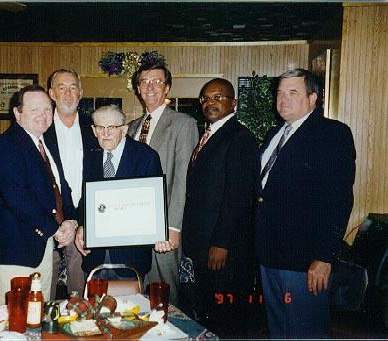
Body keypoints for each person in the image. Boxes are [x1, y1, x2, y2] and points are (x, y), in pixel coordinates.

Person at [255, 68, 356, 338]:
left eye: (293, 92)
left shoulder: (332, 134)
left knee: (305, 332)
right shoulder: (275, 134)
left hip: (305, 260)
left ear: (313, 97)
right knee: (279, 330)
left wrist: (324, 257)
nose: (283, 99)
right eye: (279, 93)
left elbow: (339, 200)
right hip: (270, 254)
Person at [0, 84, 78, 303]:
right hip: (12, 252)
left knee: (36, 321)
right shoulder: (5, 145)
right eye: (34, 110)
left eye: (47, 109)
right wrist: (55, 229)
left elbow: (61, 189)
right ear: (18, 113)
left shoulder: (46, 144)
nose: (43, 115)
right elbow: (18, 198)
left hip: (40, 249)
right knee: (8, 327)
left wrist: (71, 221)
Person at [181, 78, 258, 337]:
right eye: (205, 98)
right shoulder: (210, 133)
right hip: (204, 243)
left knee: (225, 319)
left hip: (221, 248)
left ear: (233, 103)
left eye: (218, 97)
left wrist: (222, 242)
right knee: (208, 312)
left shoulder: (240, 137)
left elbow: (238, 196)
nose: (210, 102)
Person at [128, 63, 198, 305]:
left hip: (164, 227)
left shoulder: (183, 123)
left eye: (157, 81)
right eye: (145, 81)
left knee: (165, 292)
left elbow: (182, 178)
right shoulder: (132, 128)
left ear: (167, 87)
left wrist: (174, 226)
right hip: (134, 225)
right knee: (137, 290)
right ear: (137, 89)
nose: (150, 86)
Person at [75, 105, 171, 279]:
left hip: (131, 257)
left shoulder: (146, 156)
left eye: (112, 127)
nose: (105, 133)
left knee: (130, 306)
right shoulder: (90, 157)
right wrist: (82, 225)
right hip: (95, 256)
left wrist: (159, 233)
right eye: (100, 127)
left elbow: (155, 203)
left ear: (124, 129)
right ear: (93, 130)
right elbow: (85, 199)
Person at [44, 68, 99, 298]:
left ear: (81, 93)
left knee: (80, 295)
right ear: (51, 94)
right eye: (61, 88)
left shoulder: (94, 128)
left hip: (82, 223)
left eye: (73, 88)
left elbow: (98, 177)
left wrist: (80, 221)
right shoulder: (40, 127)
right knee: (44, 292)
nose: (67, 94)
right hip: (48, 221)